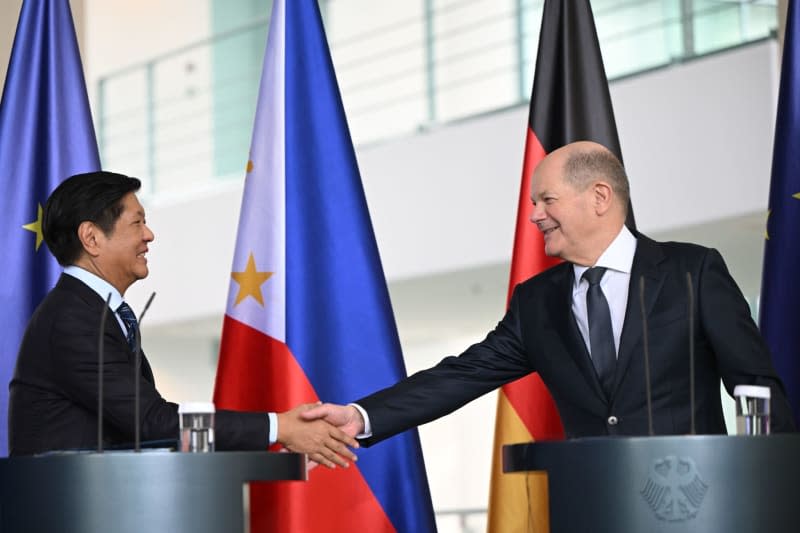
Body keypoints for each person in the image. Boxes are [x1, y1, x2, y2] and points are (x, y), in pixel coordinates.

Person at [302, 140, 796, 444]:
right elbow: (461, 375)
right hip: (589, 505)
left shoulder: (694, 270)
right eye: (534, 201)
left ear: (599, 197)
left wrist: (777, 492)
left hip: (698, 507)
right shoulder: (537, 302)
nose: (535, 214)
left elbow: (758, 389)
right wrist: (361, 415)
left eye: (547, 199)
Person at [8, 171, 358, 467]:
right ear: (92, 237)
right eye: (137, 222)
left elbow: (145, 430)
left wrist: (269, 435)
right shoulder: (74, 319)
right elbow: (153, 421)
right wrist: (278, 428)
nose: (149, 235)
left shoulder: (89, 311)